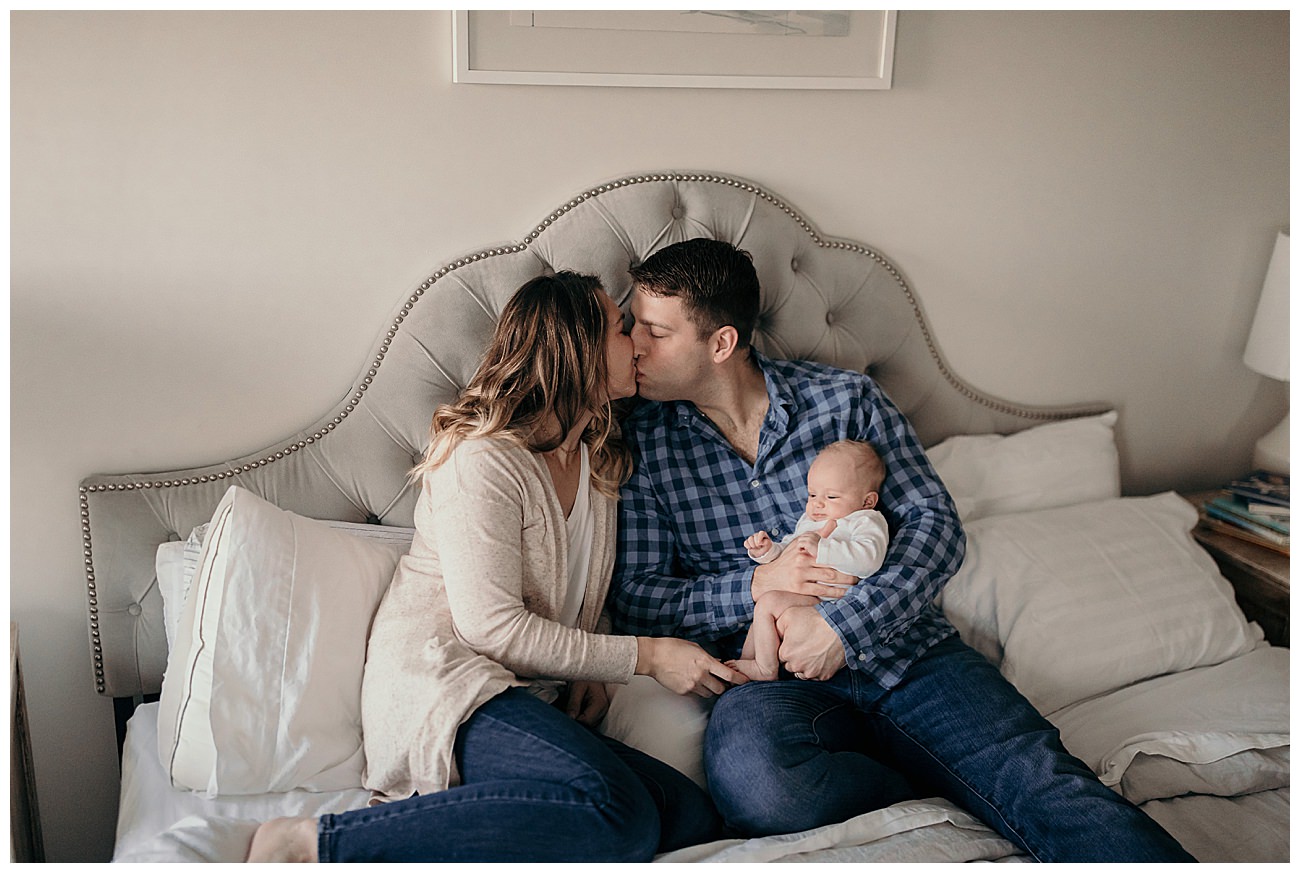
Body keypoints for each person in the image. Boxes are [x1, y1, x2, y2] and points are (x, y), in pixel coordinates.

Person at [608, 238, 1196, 863]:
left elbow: (934, 526)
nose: (634, 346)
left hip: (909, 654)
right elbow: (639, 598)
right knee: (761, 793)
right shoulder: (641, 444)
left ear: (720, 343)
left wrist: (842, 626)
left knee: (1046, 786)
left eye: (654, 332)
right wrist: (755, 586)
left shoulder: (846, 401)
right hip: (772, 677)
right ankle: (912, 783)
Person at [246, 271, 746, 863]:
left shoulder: (599, 460)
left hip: (531, 698)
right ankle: (313, 842)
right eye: (620, 326)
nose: (636, 341)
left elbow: (585, 595)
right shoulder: (482, 459)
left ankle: (477, 809)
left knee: (690, 819)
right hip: (449, 687)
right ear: (575, 347)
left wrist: (592, 660)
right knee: (622, 816)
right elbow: (492, 627)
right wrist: (647, 656)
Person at [731, 439, 890, 681]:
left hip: (836, 602)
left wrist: (823, 548)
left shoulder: (866, 520)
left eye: (832, 497)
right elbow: (791, 550)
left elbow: (869, 559)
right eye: (813, 494)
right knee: (764, 605)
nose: (817, 503)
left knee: (768, 603)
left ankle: (765, 668)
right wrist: (768, 552)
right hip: (810, 596)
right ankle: (748, 663)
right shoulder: (809, 520)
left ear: (867, 501)